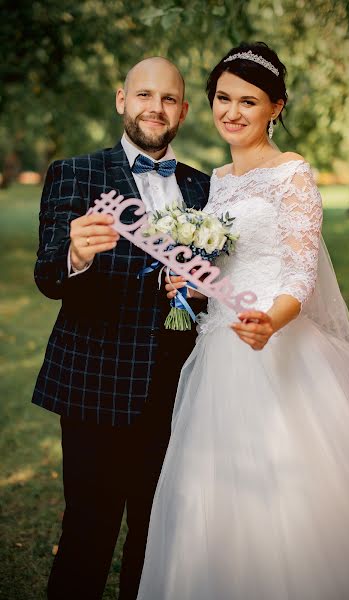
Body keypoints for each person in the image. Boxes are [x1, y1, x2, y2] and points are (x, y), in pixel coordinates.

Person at [136, 43, 349, 599]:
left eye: (248, 101)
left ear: (275, 107)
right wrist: (189, 281)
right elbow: (223, 264)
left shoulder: (293, 175)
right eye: (222, 98)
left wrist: (270, 323)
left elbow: (300, 274)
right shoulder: (219, 178)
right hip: (218, 350)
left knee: (290, 496)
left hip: (277, 346)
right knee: (216, 494)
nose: (232, 112)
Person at [32, 57, 210, 600]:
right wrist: (76, 256)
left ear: (182, 109)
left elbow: (215, 286)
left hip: (180, 390)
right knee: (88, 533)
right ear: (121, 100)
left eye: (168, 99)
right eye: (143, 96)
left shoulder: (205, 190)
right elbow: (48, 276)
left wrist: (198, 291)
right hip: (95, 386)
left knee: (158, 540)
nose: (155, 108)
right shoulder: (76, 173)